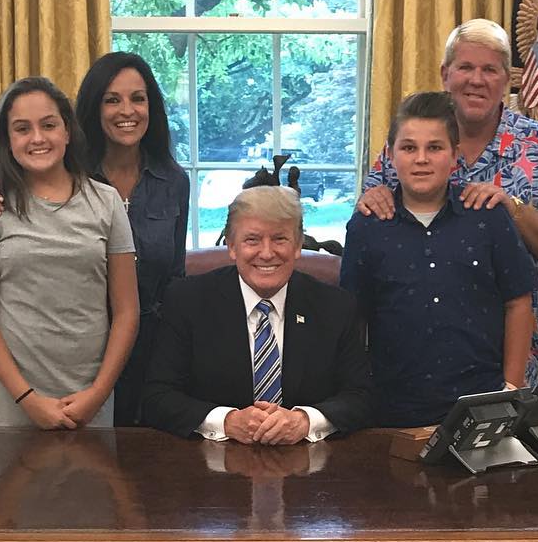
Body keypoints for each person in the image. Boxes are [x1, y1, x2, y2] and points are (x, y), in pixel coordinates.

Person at [0, 53, 190, 426]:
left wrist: (99, 393)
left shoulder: (156, 185)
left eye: (49, 125)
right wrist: (29, 400)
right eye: (112, 99)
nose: (37, 137)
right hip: (27, 386)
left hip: (135, 359)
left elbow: (168, 284)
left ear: (65, 130)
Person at [359, 18, 538, 385]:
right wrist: (373, 196)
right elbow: (371, 217)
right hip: (414, 362)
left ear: (507, 79)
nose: (477, 80)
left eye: (490, 70)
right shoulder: (413, 141)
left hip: (512, 355)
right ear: (445, 74)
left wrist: (513, 209)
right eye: (465, 67)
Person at [341, 92, 537, 427]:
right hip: (392, 410)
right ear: (390, 155)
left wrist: (511, 388)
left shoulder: (487, 217)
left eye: (434, 147)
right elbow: (351, 318)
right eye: (408, 148)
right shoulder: (367, 225)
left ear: (454, 155)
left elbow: (518, 302)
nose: (421, 159)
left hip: (481, 403)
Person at [143, 186, 372, 443]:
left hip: (308, 467)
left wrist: (305, 421)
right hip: (211, 465)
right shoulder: (187, 300)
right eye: (252, 240)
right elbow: (158, 396)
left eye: (279, 239)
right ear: (231, 247)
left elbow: (360, 396)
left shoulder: (336, 306)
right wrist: (226, 421)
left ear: (298, 246)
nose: (266, 253)